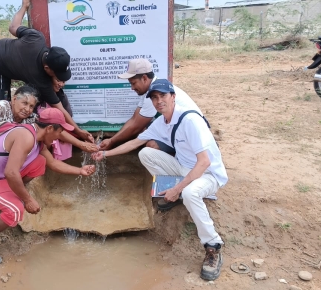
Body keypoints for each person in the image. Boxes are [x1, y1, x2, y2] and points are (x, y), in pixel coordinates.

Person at [92, 79, 228, 281]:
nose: (158, 101)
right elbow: (135, 143)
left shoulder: (190, 120)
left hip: (208, 175)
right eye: (154, 98)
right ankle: (180, 193)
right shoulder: (162, 121)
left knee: (190, 192)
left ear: (173, 97)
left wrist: (177, 189)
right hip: (184, 168)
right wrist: (106, 154)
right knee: (146, 153)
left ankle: (213, 247)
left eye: (163, 96)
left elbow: (204, 162)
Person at [0, 108, 97, 266]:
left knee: (39, 162)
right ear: (49, 128)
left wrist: (80, 170)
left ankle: (10, 193)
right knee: (15, 210)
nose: (58, 138)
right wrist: (27, 199)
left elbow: (53, 163)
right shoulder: (26, 137)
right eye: (59, 132)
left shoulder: (38, 140)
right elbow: (11, 172)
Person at [0, 0, 94, 143]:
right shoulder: (39, 79)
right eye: (57, 76)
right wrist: (78, 130)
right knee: (5, 105)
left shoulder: (37, 38)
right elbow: (60, 108)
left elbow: (13, 27)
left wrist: (24, 6)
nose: (60, 80)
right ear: (47, 68)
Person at [0, 85, 98, 157]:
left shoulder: (30, 117)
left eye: (31, 106)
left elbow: (52, 128)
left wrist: (81, 144)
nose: (27, 109)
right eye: (24, 103)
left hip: (1, 149)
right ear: (14, 99)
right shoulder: (0, 108)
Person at [99, 58, 202, 151]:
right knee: (144, 131)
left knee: (151, 145)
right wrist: (111, 140)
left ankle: (174, 164)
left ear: (144, 78)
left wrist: (112, 141)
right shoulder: (149, 92)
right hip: (178, 129)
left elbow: (136, 126)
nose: (132, 88)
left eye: (133, 83)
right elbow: (135, 119)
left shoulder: (154, 93)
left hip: (192, 134)